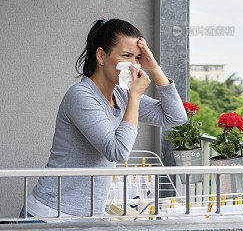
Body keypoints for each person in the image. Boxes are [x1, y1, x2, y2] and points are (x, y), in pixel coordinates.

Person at [18, 18, 187, 223]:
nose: (133, 66)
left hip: (87, 216)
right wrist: (134, 96)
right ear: (101, 55)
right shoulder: (81, 96)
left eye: (137, 58)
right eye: (126, 56)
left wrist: (155, 68)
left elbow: (176, 117)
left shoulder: (122, 95)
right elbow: (117, 152)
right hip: (51, 215)